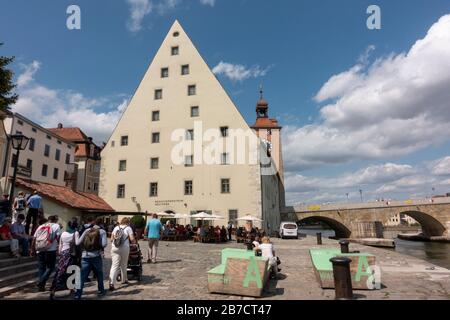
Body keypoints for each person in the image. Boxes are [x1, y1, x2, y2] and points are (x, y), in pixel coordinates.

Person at [74, 217, 108, 300]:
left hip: (85, 255)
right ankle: (101, 290)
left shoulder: (87, 230)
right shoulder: (102, 231)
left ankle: (78, 294)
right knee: (99, 274)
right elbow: (104, 244)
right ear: (101, 224)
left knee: (82, 275)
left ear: (93, 223)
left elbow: (78, 243)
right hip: (96, 256)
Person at [49, 220, 78, 300]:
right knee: (72, 270)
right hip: (70, 254)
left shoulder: (63, 233)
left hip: (63, 254)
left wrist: (60, 253)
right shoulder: (75, 233)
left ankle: (54, 289)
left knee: (60, 271)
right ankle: (72, 289)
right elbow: (78, 243)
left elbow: (60, 244)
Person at [32, 215, 61, 291]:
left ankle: (41, 287)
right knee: (50, 267)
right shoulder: (56, 226)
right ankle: (41, 282)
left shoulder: (41, 226)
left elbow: (34, 238)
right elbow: (58, 238)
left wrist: (32, 249)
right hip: (51, 250)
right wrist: (59, 247)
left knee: (41, 268)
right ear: (55, 220)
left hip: (40, 249)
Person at [109, 217, 135, 291]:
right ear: (128, 222)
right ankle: (123, 280)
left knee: (114, 265)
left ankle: (111, 283)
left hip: (114, 247)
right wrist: (134, 243)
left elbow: (111, 239)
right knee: (124, 264)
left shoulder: (116, 227)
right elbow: (132, 239)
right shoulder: (128, 228)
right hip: (124, 248)